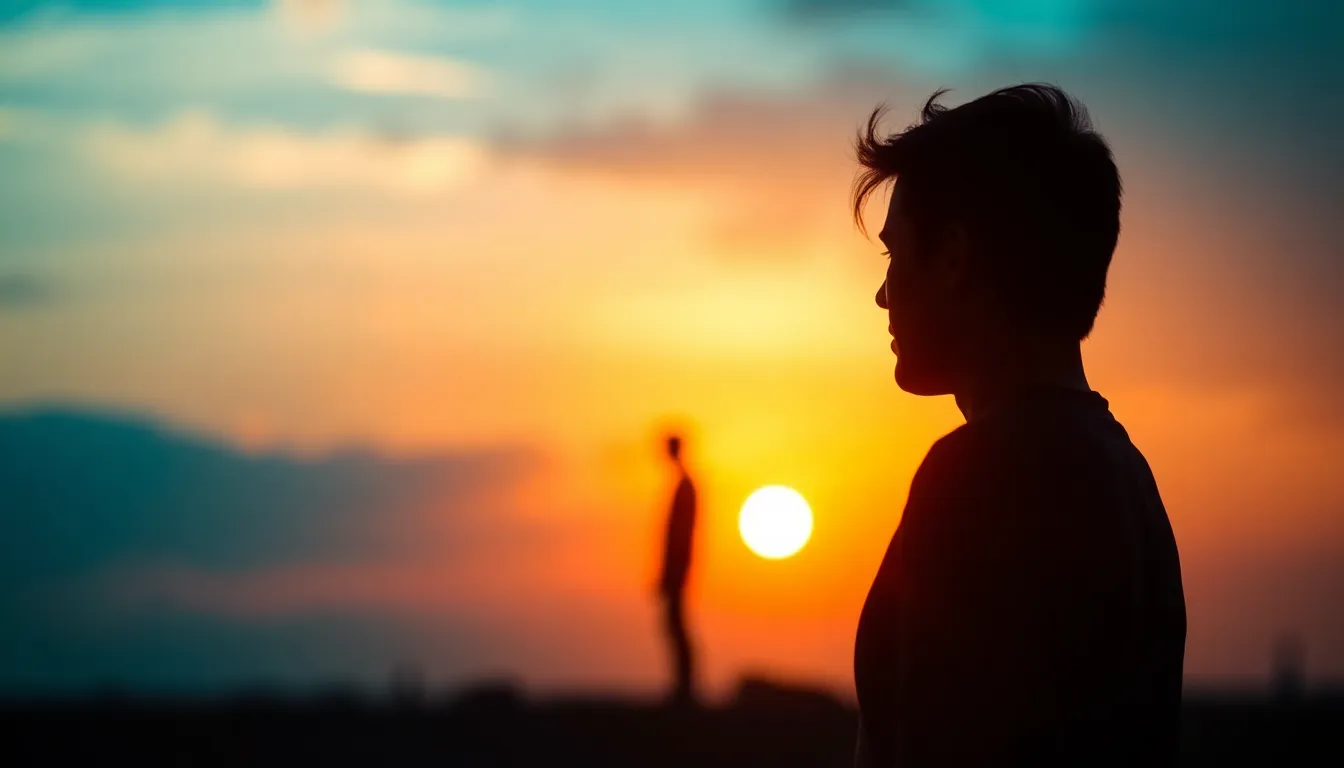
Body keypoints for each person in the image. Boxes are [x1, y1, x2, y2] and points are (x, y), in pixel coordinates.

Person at [851, 84, 1187, 766]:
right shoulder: (1132, 481)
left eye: (893, 255)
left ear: (953, 257)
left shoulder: (977, 477)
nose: (883, 294)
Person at [658, 433, 698, 707]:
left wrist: (674, 571)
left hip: (678, 570)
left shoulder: (685, 486)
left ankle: (685, 688)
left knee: (677, 626)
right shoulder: (684, 485)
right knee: (674, 625)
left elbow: (681, 534)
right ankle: (683, 686)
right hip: (676, 568)